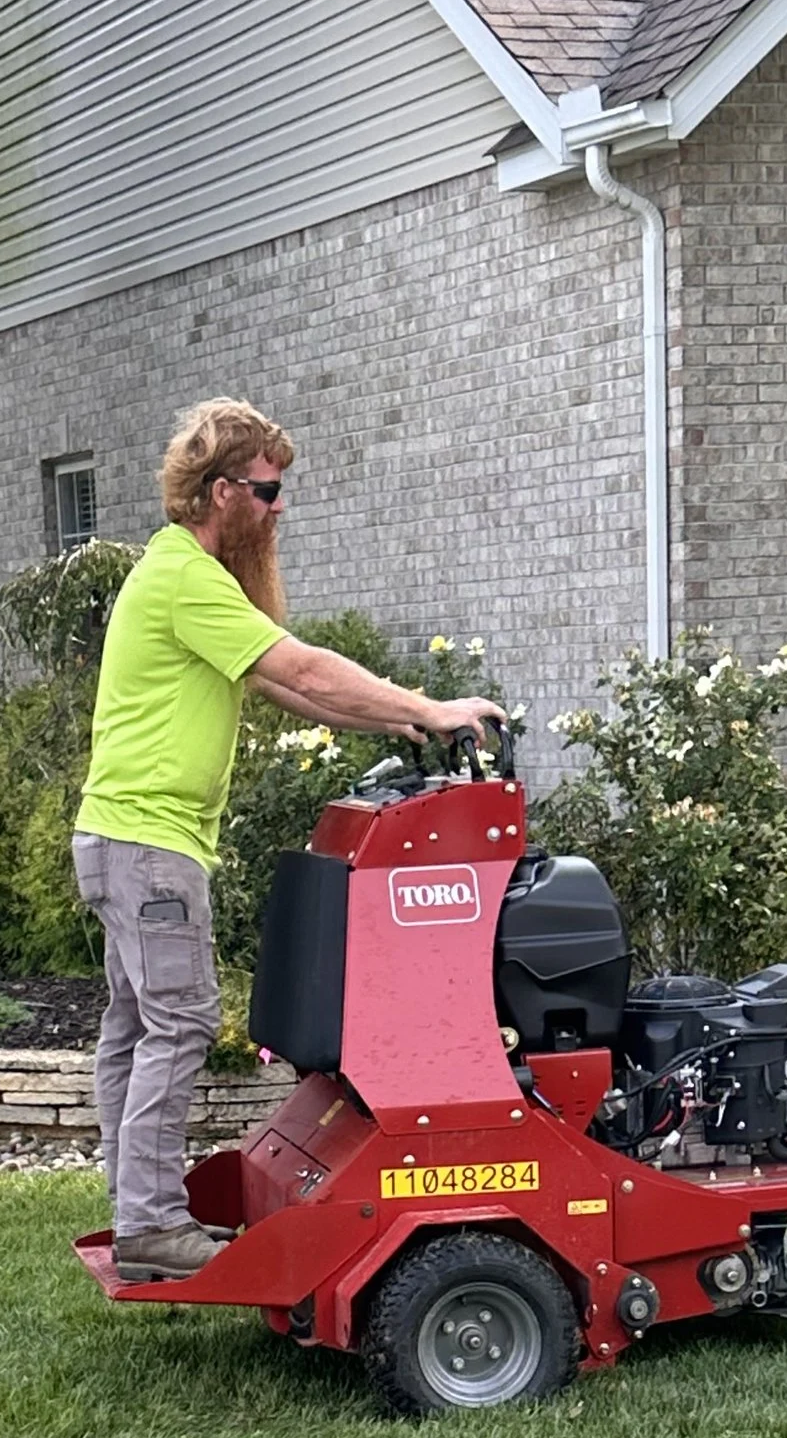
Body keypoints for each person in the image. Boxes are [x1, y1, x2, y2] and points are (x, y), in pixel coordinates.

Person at [73, 398, 506, 1281]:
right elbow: (299, 664)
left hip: (123, 839)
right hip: (150, 845)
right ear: (221, 490)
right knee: (181, 1019)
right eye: (269, 491)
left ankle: (135, 1206)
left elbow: (292, 690)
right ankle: (150, 1224)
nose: (279, 509)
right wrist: (428, 704)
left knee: (134, 1024)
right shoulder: (185, 577)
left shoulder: (176, 576)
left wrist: (400, 727)